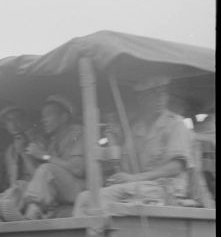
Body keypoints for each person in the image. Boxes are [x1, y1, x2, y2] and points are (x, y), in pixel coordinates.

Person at [73, 75, 195, 216]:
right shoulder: (136, 128)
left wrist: (135, 178)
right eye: (154, 94)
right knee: (86, 197)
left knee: (89, 200)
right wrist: (114, 141)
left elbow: (175, 167)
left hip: (165, 189)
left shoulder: (176, 124)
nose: (160, 99)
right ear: (142, 99)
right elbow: (125, 167)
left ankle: (93, 230)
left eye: (163, 93)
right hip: (142, 188)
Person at [20, 95, 86, 219]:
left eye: (48, 115)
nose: (43, 120)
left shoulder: (78, 133)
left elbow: (77, 169)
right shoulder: (54, 142)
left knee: (47, 169)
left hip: (81, 190)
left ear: (64, 117)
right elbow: (40, 180)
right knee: (21, 185)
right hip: (62, 191)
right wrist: (24, 153)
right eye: (43, 117)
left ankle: (31, 215)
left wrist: (44, 155)